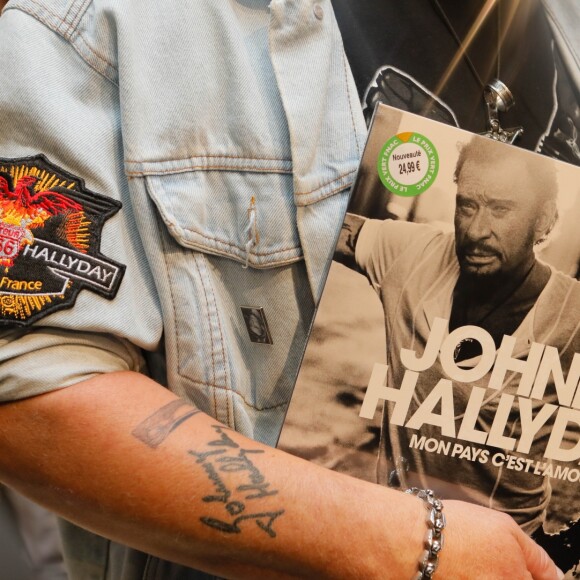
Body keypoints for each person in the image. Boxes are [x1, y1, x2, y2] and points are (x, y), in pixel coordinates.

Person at [0, 1, 566, 579]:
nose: (476, 228)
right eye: (469, 206)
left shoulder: (554, 28)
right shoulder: (114, 19)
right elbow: (27, 385)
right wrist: (406, 546)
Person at [335, 134, 579, 572]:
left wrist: (570, 548)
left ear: (545, 222)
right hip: (397, 540)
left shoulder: (574, 314)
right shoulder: (412, 254)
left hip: (498, 560)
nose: (476, 229)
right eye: (467, 205)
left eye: (501, 209)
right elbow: (324, 224)